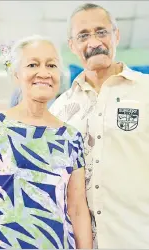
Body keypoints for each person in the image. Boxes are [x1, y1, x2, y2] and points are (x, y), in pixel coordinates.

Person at [49, 3, 149, 249]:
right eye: (83, 36)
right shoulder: (60, 109)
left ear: (116, 35)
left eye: (101, 31)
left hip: (137, 238)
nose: (93, 42)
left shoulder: (146, 91)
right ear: (72, 45)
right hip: (80, 243)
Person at [0, 35, 93, 249]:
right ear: (16, 74)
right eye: (33, 64)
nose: (43, 73)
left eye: (51, 65)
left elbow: (77, 207)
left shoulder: (71, 137)